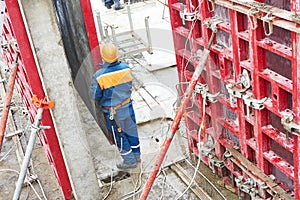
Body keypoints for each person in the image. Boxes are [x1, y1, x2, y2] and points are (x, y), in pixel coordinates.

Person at [90, 43, 141, 170]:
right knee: (131, 131)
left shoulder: (100, 76)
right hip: (128, 107)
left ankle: (130, 161)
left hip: (114, 112)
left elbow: (94, 95)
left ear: (103, 57)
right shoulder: (126, 68)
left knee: (120, 136)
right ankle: (137, 155)